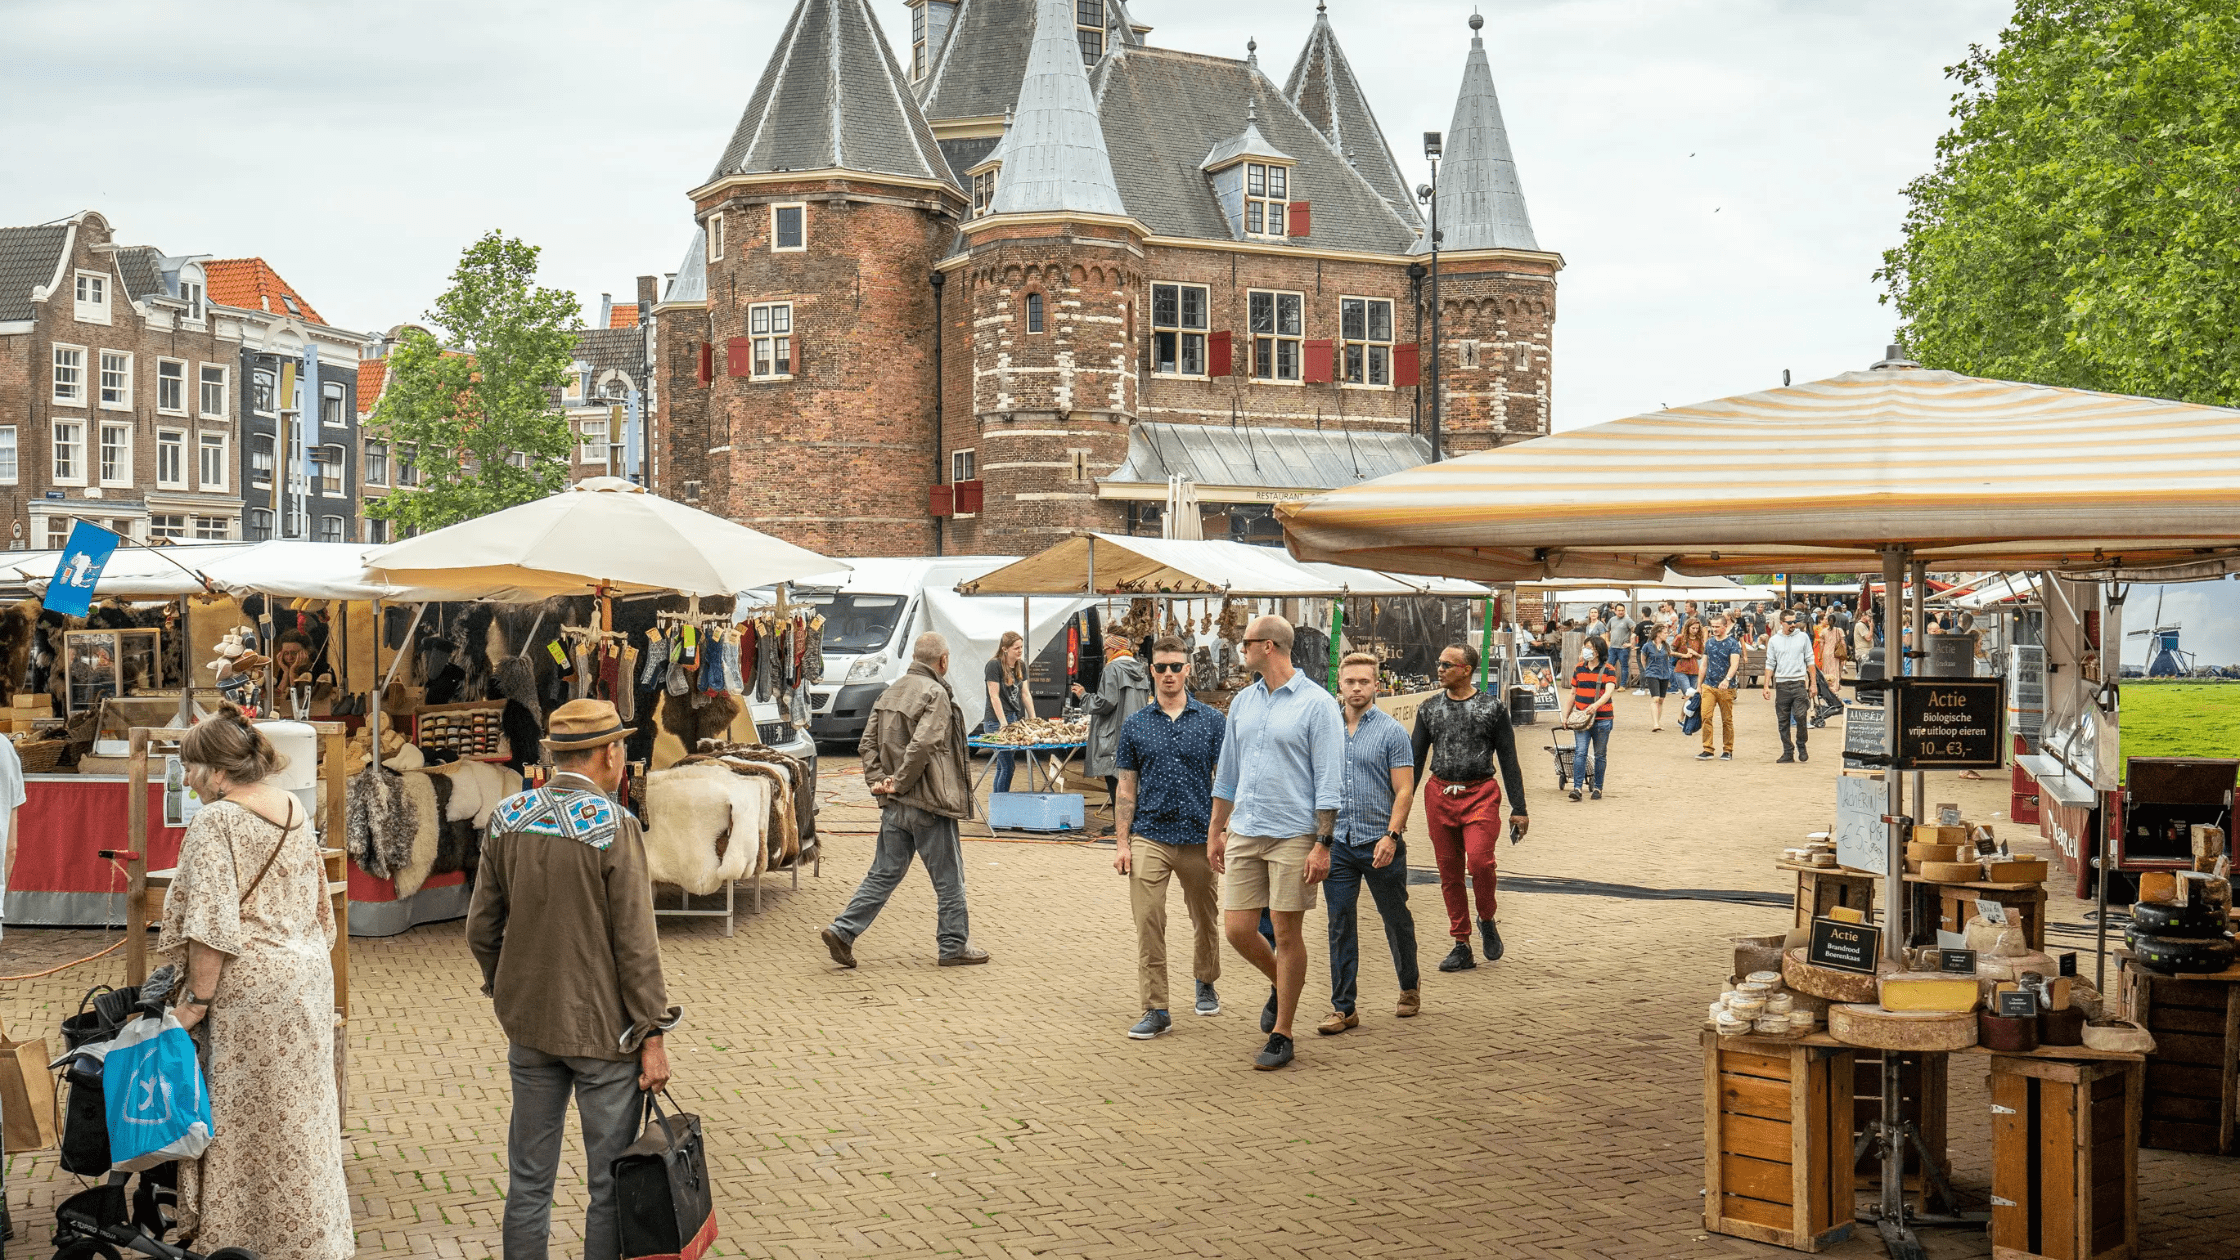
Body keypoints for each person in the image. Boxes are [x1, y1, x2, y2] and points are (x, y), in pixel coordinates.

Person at [469, 699, 678, 1260]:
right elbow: (637, 945)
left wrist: (505, 983)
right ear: (610, 754)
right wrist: (653, 1033)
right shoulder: (615, 826)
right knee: (608, 1183)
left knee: (528, 1181)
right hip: (605, 1035)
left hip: (530, 1027)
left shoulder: (507, 816)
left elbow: (481, 927)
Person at [158, 707, 353, 1260]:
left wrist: (194, 1004)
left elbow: (211, 930)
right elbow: (321, 909)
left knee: (241, 1121)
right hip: (305, 979)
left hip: (250, 993)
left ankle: (244, 1239)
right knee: (302, 1116)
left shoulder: (216, 823)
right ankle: (313, 1238)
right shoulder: (291, 806)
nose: (189, 781)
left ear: (219, 771)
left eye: (193, 768)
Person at [1210, 615, 1345, 1071]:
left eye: (1245, 643)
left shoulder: (1317, 704)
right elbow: (1228, 771)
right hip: (1246, 828)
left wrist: (1323, 843)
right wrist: (1216, 829)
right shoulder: (1243, 702)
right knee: (1237, 929)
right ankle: (1281, 982)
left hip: (1293, 833)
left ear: (1268, 646)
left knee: (1287, 934)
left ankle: (1282, 1032)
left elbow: (1330, 781)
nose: (1239, 650)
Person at [823, 632, 989, 967]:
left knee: (884, 873)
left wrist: (879, 783)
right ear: (943, 661)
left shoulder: (890, 691)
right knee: (949, 878)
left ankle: (843, 930)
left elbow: (866, 743)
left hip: (895, 805)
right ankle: (953, 946)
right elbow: (924, 745)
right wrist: (898, 783)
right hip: (927, 802)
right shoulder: (936, 692)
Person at [1113, 636, 1227, 1039]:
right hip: (1151, 835)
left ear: (1188, 669)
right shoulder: (1136, 725)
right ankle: (1156, 1007)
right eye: (1161, 668)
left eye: (1176, 667)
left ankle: (1206, 979)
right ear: (1151, 671)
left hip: (1199, 836)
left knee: (1205, 917)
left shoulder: (1213, 722)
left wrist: (1223, 830)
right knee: (1148, 921)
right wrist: (1123, 842)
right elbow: (1126, 789)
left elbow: (1226, 782)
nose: (1168, 674)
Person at [1317, 652, 1421, 1034]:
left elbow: (1405, 790)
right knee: (1340, 923)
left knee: (1395, 918)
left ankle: (1409, 987)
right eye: (1350, 682)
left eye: (1364, 681)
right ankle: (1343, 1007)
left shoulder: (1392, 732)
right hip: (1337, 843)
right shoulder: (1325, 729)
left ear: (1376, 685)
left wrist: (1392, 836)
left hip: (1379, 841)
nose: (1357, 688)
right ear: (1339, 685)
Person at [1412, 643, 1531, 971]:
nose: (1440, 669)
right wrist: (1400, 806)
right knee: (1449, 873)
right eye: (1439, 663)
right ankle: (1461, 942)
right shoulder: (1429, 708)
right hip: (1439, 795)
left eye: (1447, 664)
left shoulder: (1491, 709)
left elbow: (1508, 759)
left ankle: (1486, 918)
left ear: (1466, 670)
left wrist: (1518, 808)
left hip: (1480, 795)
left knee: (1480, 862)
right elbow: (1416, 761)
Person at [1076, 637, 1151, 836]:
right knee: (1132, 778)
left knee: (1114, 778)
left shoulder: (1112, 669)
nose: (1105, 653)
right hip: (1137, 730)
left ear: (1112, 649)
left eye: (1106, 649)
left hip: (1114, 732)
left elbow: (1105, 702)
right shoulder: (1141, 669)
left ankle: (1121, 826)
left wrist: (1084, 696)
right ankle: (1132, 823)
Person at [1564, 635, 1617, 801]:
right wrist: (1565, 716)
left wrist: (1596, 705)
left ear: (1598, 651)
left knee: (1600, 754)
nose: (1585, 651)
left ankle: (1598, 788)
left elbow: (1609, 692)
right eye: (1585, 647)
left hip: (1602, 718)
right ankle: (1577, 788)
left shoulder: (1608, 669)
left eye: (1589, 648)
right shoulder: (1579, 668)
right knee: (1580, 752)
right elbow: (1573, 693)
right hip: (1582, 719)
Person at [1763, 609, 1818, 763]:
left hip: (1799, 682)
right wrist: (1766, 685)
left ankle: (1801, 744)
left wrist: (1813, 683)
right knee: (1783, 720)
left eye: (1795, 621)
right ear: (1781, 623)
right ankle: (1788, 751)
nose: (1793, 624)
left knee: (1801, 716)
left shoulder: (1803, 637)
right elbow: (1770, 663)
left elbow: (1810, 661)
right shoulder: (1774, 640)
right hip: (1781, 684)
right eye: (1790, 622)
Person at [981, 631, 1032, 794]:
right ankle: (1001, 804)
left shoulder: (1020, 665)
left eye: (1021, 647)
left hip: (1013, 718)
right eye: (1016, 648)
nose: (1019, 651)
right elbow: (993, 695)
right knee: (1008, 766)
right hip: (995, 721)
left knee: (1003, 766)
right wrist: (1003, 722)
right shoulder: (993, 665)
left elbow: (1025, 693)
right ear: (1005, 649)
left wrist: (1034, 718)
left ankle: (998, 804)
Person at [1696, 614, 1743, 761]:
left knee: (1726, 719)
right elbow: (1704, 664)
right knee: (1706, 716)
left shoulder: (1732, 643)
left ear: (1724, 626)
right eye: (1712, 626)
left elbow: (1734, 664)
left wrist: (1727, 679)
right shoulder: (1709, 643)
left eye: (1717, 627)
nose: (1714, 629)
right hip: (1709, 685)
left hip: (1726, 687)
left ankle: (1728, 749)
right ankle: (1707, 748)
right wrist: (1699, 685)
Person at [1811, 613, 1847, 725]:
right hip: (1835, 654)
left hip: (1826, 653)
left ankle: (1829, 688)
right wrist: (1844, 656)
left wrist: (1820, 656)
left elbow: (1821, 645)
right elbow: (1843, 643)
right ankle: (1834, 690)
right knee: (1835, 671)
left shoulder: (1824, 631)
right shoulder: (1839, 630)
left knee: (1826, 673)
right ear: (1835, 621)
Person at [1638, 622, 1675, 730]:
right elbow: (1643, 660)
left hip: (1664, 674)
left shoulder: (1665, 646)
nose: (1667, 634)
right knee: (1655, 698)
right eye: (1665, 632)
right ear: (1658, 633)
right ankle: (1655, 724)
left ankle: (1658, 722)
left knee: (1661, 700)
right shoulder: (1647, 646)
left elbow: (1671, 655)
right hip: (1652, 674)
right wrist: (1648, 671)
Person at [1671, 616, 1705, 698]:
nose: (1695, 630)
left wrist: (1695, 653)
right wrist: (1684, 655)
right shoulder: (1680, 638)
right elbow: (1671, 651)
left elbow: (1700, 656)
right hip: (1681, 669)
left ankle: (1688, 710)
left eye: (1697, 628)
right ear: (1688, 627)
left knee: (1692, 697)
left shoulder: (1699, 639)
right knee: (1688, 693)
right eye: (1693, 628)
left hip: (1694, 671)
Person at [1607, 604, 1635, 690]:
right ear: (1615, 611)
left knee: (1624, 666)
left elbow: (1635, 630)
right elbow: (1607, 630)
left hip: (1623, 649)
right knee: (1609, 666)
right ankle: (1608, 684)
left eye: (1622, 610)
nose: (1621, 612)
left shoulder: (1627, 620)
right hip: (1612, 648)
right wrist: (1607, 641)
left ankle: (1623, 685)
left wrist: (1631, 643)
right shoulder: (1612, 620)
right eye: (1619, 610)